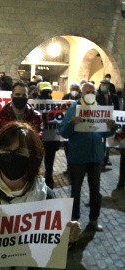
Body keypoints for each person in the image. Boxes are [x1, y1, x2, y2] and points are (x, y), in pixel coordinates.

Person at [0, 121, 81, 269]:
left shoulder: (46, 197)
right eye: (5, 150)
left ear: (32, 156)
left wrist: (68, 239)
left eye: (20, 151)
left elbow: (52, 248)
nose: (11, 157)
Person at [58, 82, 117, 231]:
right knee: (75, 190)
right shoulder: (73, 109)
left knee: (95, 191)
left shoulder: (101, 110)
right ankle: (74, 219)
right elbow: (63, 132)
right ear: (82, 94)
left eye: (92, 91)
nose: (90, 94)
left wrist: (112, 127)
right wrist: (71, 124)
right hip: (78, 157)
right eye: (87, 92)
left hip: (96, 157)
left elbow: (105, 134)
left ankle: (94, 219)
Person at [38, 82, 60, 189]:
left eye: (48, 91)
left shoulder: (54, 104)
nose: (47, 93)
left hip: (51, 139)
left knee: (49, 164)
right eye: (44, 91)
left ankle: (49, 181)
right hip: (39, 139)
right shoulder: (35, 103)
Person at [96, 79, 119, 167]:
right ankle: (100, 158)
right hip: (100, 121)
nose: (103, 86)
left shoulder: (111, 96)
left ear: (109, 86)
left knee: (107, 141)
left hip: (108, 121)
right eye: (102, 84)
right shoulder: (98, 95)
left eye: (105, 84)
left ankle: (105, 159)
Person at [62, 81, 81, 174]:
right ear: (70, 89)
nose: (75, 91)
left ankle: (75, 167)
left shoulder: (81, 99)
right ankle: (69, 166)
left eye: (76, 89)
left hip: (78, 128)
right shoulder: (65, 97)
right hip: (68, 125)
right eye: (73, 89)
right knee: (67, 149)